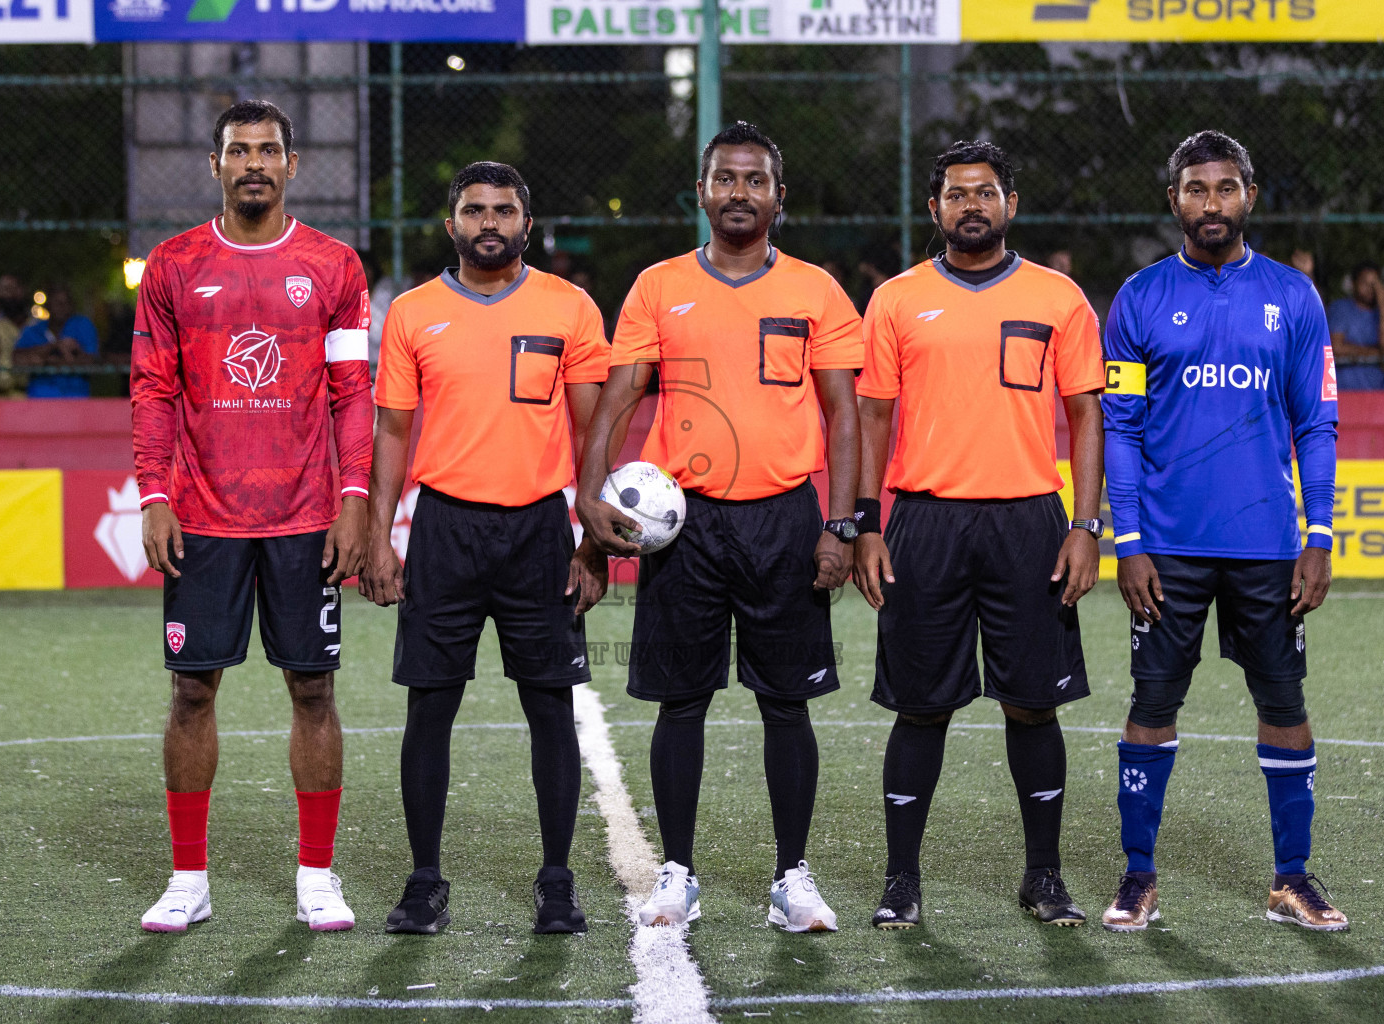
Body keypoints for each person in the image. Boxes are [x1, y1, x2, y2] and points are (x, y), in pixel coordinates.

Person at [575, 121, 862, 933]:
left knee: (787, 704)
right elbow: (619, 396)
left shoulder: (818, 291)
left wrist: (841, 524)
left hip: (784, 518)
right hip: (683, 528)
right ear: (701, 191)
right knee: (681, 703)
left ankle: (792, 878)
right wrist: (591, 499)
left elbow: (845, 413)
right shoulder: (658, 286)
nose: (740, 192)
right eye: (725, 179)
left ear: (779, 196)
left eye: (755, 180)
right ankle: (677, 872)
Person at [131, 100, 373, 934]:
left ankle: (316, 875)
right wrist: (154, 495)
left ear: (293, 164)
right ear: (216, 165)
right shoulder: (171, 265)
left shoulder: (335, 266)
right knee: (191, 692)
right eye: (240, 151)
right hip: (201, 518)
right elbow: (153, 390)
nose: (255, 163)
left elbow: (353, 395)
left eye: (269, 149)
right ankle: (188, 880)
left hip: (306, 516)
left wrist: (354, 501)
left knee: (314, 687)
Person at [853, 140, 1105, 931]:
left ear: (1011, 205)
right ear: (935, 209)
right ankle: (901, 880)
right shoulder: (895, 300)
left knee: (1033, 706)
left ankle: (1044, 876)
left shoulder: (1060, 298)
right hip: (924, 518)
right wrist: (866, 523)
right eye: (957, 195)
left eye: (986, 193)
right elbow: (871, 417)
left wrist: (1085, 525)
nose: (972, 205)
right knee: (921, 707)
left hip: (1030, 518)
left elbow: (1087, 415)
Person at [1100, 130, 1346, 933]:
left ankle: (1292, 877)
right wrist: (1128, 543)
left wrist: (1321, 535)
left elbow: (1317, 424)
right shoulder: (1137, 298)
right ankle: (1139, 875)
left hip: (1269, 543)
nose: (1213, 203)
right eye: (1197, 189)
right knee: (1152, 703)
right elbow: (1122, 428)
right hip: (1167, 548)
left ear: (1249, 196)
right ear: (1173, 199)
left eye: (1227, 188)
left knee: (1284, 702)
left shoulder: (1295, 296)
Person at [360, 162, 611, 936]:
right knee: (429, 707)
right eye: (474, 210)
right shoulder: (411, 312)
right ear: (451, 225)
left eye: (504, 209)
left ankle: (558, 881)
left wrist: (591, 541)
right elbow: (394, 431)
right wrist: (379, 534)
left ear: (527, 224)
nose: (489, 221)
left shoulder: (569, 307)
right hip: (444, 529)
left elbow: (591, 431)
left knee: (550, 709)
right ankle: (425, 880)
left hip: (539, 532)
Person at [15, 285, 100, 397]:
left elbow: (92, 361)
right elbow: (18, 360)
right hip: (40, 399)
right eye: (57, 303)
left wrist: (47, 361)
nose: (62, 307)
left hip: (75, 397)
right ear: (48, 305)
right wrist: (55, 347)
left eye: (65, 303)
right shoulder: (34, 329)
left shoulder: (83, 325)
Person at [1326, 262, 1384, 390]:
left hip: (1378, 394)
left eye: (1375, 284)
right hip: (1343, 394)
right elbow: (1336, 347)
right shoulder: (1341, 308)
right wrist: (1376, 353)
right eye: (1365, 283)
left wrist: (1383, 304)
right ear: (1353, 284)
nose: (1370, 288)